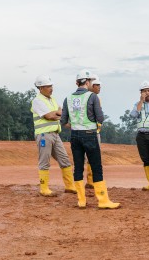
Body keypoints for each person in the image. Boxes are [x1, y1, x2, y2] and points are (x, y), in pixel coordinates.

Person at [61, 69, 120, 209]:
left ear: (76, 82)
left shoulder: (67, 98)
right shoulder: (92, 97)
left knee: (78, 167)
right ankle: (103, 200)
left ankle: (81, 201)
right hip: (89, 135)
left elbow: (63, 121)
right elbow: (100, 118)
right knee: (96, 167)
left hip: (75, 136)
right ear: (87, 82)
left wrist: (75, 126)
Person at [30, 75, 76, 197]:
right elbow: (49, 116)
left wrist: (58, 114)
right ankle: (44, 188)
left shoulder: (53, 100)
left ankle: (70, 186)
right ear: (40, 88)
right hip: (44, 134)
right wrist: (57, 113)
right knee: (44, 161)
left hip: (55, 134)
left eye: (51, 86)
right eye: (48, 86)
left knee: (65, 160)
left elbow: (60, 113)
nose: (51, 88)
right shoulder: (37, 101)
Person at [83, 75, 101, 189]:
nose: (99, 87)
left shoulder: (97, 98)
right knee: (88, 157)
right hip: (87, 132)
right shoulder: (88, 98)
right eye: (97, 85)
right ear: (90, 85)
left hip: (95, 131)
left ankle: (91, 180)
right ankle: (90, 180)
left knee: (93, 157)